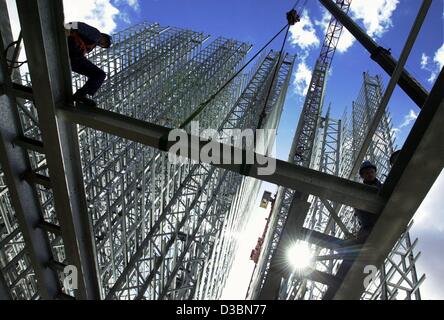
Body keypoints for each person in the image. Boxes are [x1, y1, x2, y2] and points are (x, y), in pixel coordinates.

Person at [65, 22, 112, 107]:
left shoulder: (92, 45)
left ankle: (81, 94)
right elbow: (76, 25)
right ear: (103, 36)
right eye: (105, 41)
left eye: (104, 45)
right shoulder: (96, 34)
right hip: (71, 48)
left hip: (73, 57)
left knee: (99, 75)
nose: (103, 44)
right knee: (99, 74)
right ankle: (80, 94)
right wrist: (64, 29)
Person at [354, 161, 383, 242]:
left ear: (375, 173)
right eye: (366, 173)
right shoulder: (360, 193)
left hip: (383, 218)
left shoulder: (383, 188)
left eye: (372, 172)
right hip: (368, 225)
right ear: (362, 176)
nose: (370, 174)